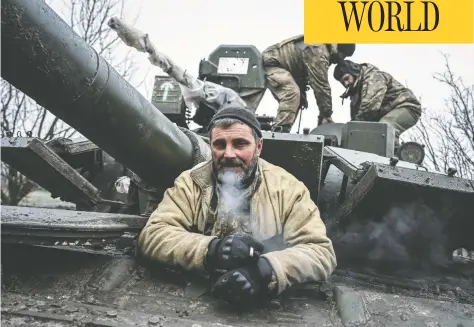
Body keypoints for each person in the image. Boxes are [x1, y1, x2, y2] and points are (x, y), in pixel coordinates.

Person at [137, 105, 337, 304]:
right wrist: (212, 249)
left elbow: (320, 252)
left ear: (258, 147)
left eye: (240, 144)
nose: (229, 154)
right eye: (220, 144)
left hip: (262, 304)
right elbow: (153, 234)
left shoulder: (288, 188)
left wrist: (265, 270)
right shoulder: (191, 182)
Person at [247, 36, 356, 133]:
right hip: (270, 63)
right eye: (343, 55)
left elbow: (299, 69)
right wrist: (327, 114)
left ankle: (284, 129)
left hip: (283, 67)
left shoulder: (322, 48)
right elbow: (321, 85)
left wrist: (304, 95)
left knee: (297, 97)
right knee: (292, 92)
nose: (340, 60)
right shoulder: (318, 50)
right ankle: (280, 130)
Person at [333, 60, 422, 148]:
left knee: (384, 129)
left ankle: (395, 157)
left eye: (346, 78)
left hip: (406, 106)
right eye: (342, 82)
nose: (346, 83)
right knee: (372, 136)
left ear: (353, 72)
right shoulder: (355, 93)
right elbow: (356, 120)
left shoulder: (373, 77)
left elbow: (370, 107)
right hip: (386, 112)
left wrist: (351, 131)